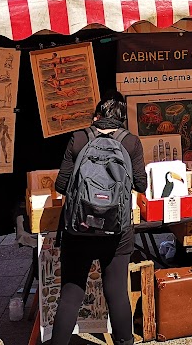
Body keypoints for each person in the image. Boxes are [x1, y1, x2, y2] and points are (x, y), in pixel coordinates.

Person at [51, 92, 147, 345]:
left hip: (78, 228)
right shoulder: (131, 142)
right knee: (117, 293)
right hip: (117, 230)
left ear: (96, 116)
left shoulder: (79, 137)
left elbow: (61, 185)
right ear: (122, 119)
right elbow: (141, 184)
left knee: (71, 292)